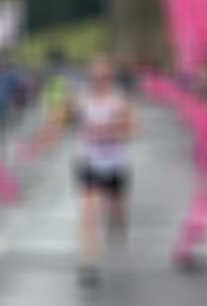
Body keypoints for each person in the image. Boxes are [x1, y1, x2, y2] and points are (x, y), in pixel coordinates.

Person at [71, 57, 136, 285]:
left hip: (115, 164)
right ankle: (89, 263)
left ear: (110, 79)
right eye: (94, 77)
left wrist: (111, 131)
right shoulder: (81, 101)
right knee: (90, 211)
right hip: (88, 162)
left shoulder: (119, 102)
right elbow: (68, 124)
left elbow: (131, 131)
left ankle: (118, 229)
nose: (98, 81)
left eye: (103, 77)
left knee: (117, 213)